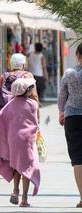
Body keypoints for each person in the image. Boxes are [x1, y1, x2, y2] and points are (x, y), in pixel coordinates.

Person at [0, 78, 40, 208]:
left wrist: (6, 130)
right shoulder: (33, 104)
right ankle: (24, 199)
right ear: (26, 90)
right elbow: (35, 122)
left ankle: (15, 191)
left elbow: (0, 116)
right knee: (27, 167)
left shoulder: (10, 104)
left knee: (16, 165)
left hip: (13, 140)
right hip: (27, 140)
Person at [58, 42, 82, 208]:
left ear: (77, 55)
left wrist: (61, 112)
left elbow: (61, 96)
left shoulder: (69, 73)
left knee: (78, 159)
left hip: (73, 117)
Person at [0, 53, 39, 122]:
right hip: (21, 115)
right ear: (23, 65)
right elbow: (34, 96)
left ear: (11, 64)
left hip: (4, 113)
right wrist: (37, 116)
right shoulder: (27, 76)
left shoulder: (3, 77)